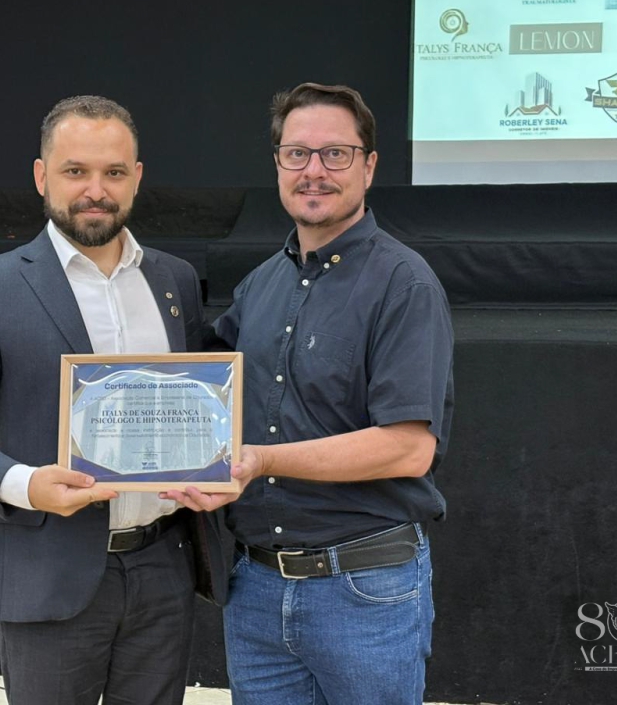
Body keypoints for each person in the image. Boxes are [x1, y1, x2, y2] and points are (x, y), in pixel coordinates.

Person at [0, 95, 229, 705]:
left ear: (137, 177)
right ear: (41, 176)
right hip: (48, 570)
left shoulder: (175, 280)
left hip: (164, 567)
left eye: (114, 172)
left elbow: (195, 402)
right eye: (75, 171)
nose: (95, 191)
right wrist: (26, 485)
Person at [166, 82, 454, 705]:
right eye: (296, 153)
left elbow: (409, 449)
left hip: (364, 590)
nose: (314, 170)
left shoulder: (404, 285)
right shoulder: (261, 286)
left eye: (335, 154)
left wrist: (261, 460)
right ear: (278, 165)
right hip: (256, 590)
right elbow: (199, 389)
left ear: (369, 167)